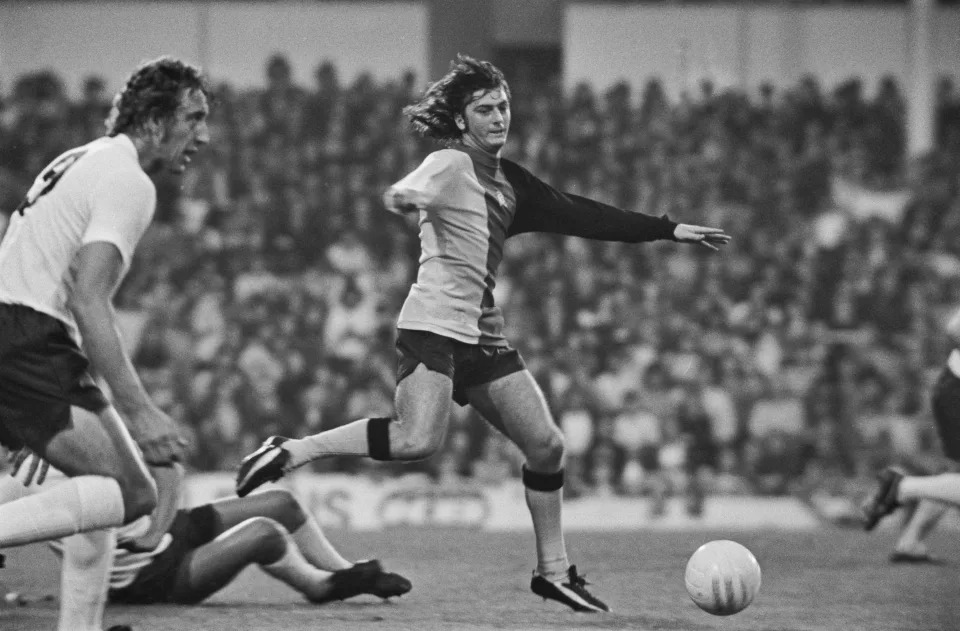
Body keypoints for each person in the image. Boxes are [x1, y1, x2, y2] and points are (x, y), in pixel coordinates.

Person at [236, 54, 730, 613]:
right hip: (433, 326)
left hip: (481, 332)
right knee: (417, 440)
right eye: (485, 109)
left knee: (546, 446)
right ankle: (293, 450)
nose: (498, 117)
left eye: (503, 107)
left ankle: (554, 572)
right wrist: (404, 197)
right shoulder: (449, 162)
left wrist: (666, 230)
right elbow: (410, 186)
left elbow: (584, 215)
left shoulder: (512, 182)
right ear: (462, 118)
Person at [0, 56, 210, 631]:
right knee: (131, 491)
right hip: (25, 334)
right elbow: (89, 300)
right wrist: (140, 411)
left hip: (21, 333)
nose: (204, 134)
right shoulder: (128, 180)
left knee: (101, 485)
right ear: (155, 119)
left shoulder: (85, 159)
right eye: (193, 117)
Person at [3, 453, 410, 606]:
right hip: (145, 577)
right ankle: (320, 587)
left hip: (168, 532)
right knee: (265, 533)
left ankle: (345, 570)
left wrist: (156, 530)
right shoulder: (15, 483)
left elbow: (169, 468)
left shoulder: (80, 429)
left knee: (282, 503)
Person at [862, 306, 960, 561]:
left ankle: (909, 542)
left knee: (955, 476)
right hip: (958, 389)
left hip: (954, 385)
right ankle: (901, 487)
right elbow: (955, 328)